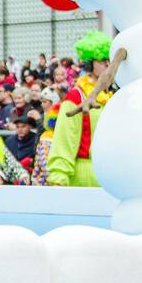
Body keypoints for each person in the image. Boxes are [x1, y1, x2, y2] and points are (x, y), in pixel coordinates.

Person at [46, 31, 113, 187]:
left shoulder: (114, 96)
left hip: (112, 177)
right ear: (89, 63)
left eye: (110, 60)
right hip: (85, 178)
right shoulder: (77, 97)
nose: (108, 65)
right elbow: (64, 139)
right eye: (103, 60)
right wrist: (59, 177)